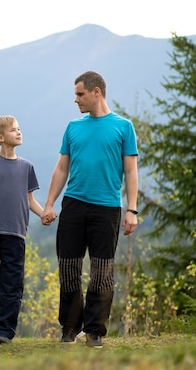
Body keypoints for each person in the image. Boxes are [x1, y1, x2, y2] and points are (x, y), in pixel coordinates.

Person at [41, 71, 139, 349]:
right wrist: (49, 203)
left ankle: (95, 330)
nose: (76, 100)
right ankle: (70, 328)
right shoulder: (73, 127)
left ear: (97, 92)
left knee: (102, 271)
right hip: (73, 205)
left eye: (80, 94)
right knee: (68, 268)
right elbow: (61, 168)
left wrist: (131, 209)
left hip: (107, 208)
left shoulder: (123, 127)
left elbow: (131, 171)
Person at [0, 115, 44, 344]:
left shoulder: (27, 167)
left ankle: (4, 331)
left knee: (11, 284)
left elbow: (30, 200)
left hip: (16, 234)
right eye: (14, 130)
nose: (19, 132)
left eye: (19, 129)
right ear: (0, 137)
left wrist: (45, 214)